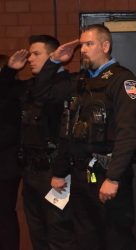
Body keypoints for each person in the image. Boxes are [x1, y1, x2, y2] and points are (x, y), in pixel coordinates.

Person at [41, 24, 136, 250]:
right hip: (79, 174)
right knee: (86, 238)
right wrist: (54, 62)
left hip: (108, 174)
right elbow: (46, 99)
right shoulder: (80, 81)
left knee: (116, 239)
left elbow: (129, 133)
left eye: (89, 44)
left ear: (105, 46)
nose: (83, 49)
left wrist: (114, 177)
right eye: (82, 44)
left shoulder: (122, 81)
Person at [0, 36, 75, 249]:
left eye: (36, 54)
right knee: (37, 230)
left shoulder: (64, 85)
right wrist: (9, 71)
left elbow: (66, 133)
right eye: (30, 54)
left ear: (53, 56)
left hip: (55, 172)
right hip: (31, 171)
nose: (30, 58)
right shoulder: (31, 85)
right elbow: (4, 97)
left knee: (58, 230)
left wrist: (60, 171)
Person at [0, 54, 22, 250]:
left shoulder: (13, 94)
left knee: (5, 215)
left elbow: (9, 132)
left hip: (6, 167)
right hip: (8, 165)